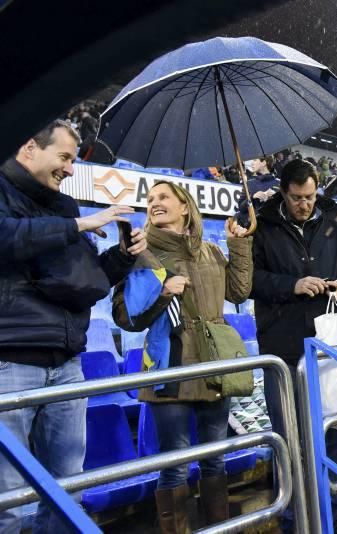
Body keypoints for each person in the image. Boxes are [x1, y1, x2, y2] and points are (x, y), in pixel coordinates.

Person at [0, 119, 147, 533]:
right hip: (11, 362)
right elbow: (6, 236)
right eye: (63, 157)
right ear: (29, 147)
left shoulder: (64, 207)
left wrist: (121, 255)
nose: (69, 168)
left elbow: (86, 283)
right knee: (7, 503)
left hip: (67, 363)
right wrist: (80, 224)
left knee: (68, 492)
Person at [113, 180, 252, 533]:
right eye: (149, 199)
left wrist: (239, 244)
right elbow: (125, 318)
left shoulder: (211, 251)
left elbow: (239, 291)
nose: (154, 203)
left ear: (185, 207)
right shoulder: (140, 253)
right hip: (169, 366)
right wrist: (162, 293)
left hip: (214, 364)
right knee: (174, 464)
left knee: (214, 460)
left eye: (162, 197)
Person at [251, 159, 337, 534]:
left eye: (310, 196)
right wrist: (292, 285)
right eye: (298, 197)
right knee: (288, 436)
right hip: (282, 346)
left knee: (336, 429)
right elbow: (247, 281)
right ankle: (293, 517)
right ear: (283, 192)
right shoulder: (261, 225)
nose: (305, 204)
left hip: (328, 343)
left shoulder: (336, 220)